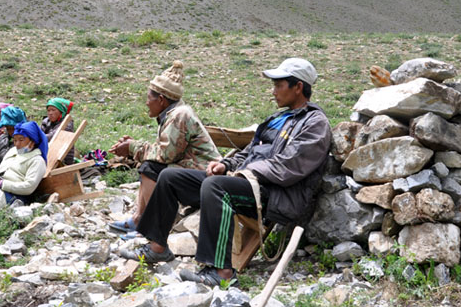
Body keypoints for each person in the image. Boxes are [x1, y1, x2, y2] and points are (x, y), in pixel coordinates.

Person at [122, 58, 332, 286]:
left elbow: (288, 166)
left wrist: (244, 173)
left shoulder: (315, 123)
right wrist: (226, 165)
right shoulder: (277, 119)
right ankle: (157, 247)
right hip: (248, 182)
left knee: (216, 186)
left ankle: (222, 273)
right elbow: (249, 151)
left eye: (278, 85)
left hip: (275, 194)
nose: (273, 92)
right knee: (170, 177)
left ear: (298, 87)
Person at [108, 61, 221, 236]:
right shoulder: (173, 113)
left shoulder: (179, 115)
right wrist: (134, 145)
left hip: (206, 176)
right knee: (148, 165)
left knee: (150, 168)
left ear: (161, 100)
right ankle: (139, 219)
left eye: (149, 98)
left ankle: (154, 227)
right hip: (193, 170)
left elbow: (166, 155)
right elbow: (165, 151)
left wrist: (132, 147)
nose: (146, 103)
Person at [0, 105, 27, 173]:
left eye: (13, 128)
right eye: (8, 128)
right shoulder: (3, 137)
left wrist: (3, 171)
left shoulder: (26, 141)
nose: (11, 132)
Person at [40, 97, 75, 164]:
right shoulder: (46, 121)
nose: (50, 113)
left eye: (53, 110)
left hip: (62, 158)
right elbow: (40, 132)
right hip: (48, 153)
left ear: (61, 111)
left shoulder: (67, 123)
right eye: (48, 110)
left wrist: (38, 137)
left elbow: (54, 136)